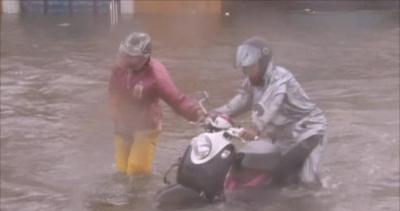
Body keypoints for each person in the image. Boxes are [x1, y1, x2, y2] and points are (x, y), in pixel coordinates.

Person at [211, 36, 328, 185]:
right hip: (283, 135)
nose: (245, 70)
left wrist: (255, 128)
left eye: (250, 66)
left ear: (263, 62)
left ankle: (320, 203)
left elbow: (270, 104)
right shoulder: (251, 81)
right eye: (244, 67)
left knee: (306, 181)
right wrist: (215, 115)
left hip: (309, 131)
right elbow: (240, 101)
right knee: (269, 174)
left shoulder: (280, 78)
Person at [108, 32, 206, 176]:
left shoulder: (156, 75)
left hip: (146, 125)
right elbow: (113, 91)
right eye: (125, 54)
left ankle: (142, 197)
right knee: (121, 171)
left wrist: (196, 113)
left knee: (136, 171)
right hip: (122, 124)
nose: (126, 59)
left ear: (145, 57)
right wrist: (114, 112)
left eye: (132, 57)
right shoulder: (119, 69)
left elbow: (176, 99)